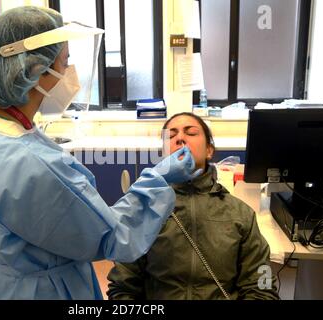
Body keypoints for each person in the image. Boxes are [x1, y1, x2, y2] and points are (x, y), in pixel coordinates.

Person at [0, 7, 202, 300]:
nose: (70, 72)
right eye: (65, 61)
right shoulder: (34, 166)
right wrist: (158, 177)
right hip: (43, 290)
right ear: (35, 71)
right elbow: (114, 236)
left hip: (0, 284)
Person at [107, 112, 280, 300]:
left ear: (209, 150)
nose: (180, 138)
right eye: (171, 136)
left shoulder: (241, 214)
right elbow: (122, 287)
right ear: (164, 154)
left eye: (191, 133)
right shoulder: (144, 211)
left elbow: (262, 287)